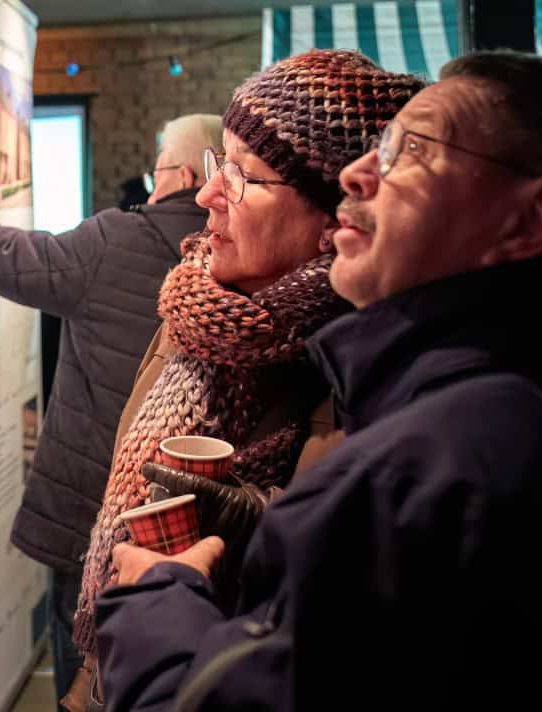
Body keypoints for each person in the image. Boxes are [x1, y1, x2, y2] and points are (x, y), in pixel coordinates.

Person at [94, 51, 542, 711]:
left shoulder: (439, 456)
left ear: (527, 221)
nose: (354, 176)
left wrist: (157, 596)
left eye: (406, 152)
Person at [66, 51, 425, 708]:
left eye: (245, 176)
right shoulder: (195, 305)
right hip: (125, 662)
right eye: (216, 164)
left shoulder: (369, 365)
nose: (207, 193)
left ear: (335, 218)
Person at [0, 112, 221, 705]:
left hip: (93, 528)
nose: (148, 181)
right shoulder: (238, 261)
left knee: (83, 682)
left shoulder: (116, 241)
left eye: (155, 166)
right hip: (196, 537)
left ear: (181, 173)